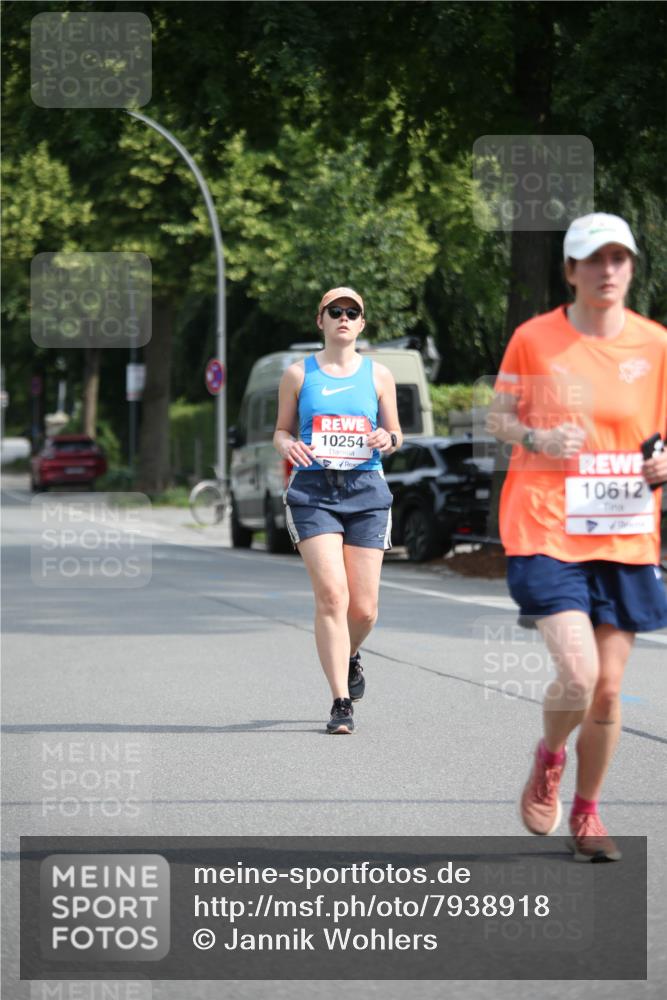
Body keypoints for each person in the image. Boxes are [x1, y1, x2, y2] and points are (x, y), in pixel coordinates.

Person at [488, 213, 667, 861]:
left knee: (610, 689)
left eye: (618, 259)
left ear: (630, 267)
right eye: (593, 260)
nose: (607, 271)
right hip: (544, 524)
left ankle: (587, 814)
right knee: (580, 672)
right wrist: (535, 437)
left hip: (623, 531)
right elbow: (499, 416)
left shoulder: (655, 345)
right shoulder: (534, 339)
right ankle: (549, 758)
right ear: (570, 270)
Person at [273, 287, 402, 733]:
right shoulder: (297, 374)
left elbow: (396, 433)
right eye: (335, 311)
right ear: (321, 320)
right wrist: (289, 444)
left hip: (366, 490)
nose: (344, 317)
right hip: (313, 492)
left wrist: (388, 439)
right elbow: (281, 433)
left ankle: (350, 654)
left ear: (362, 324)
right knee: (333, 596)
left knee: (364, 610)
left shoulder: (379, 375)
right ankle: (340, 703)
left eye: (353, 312)